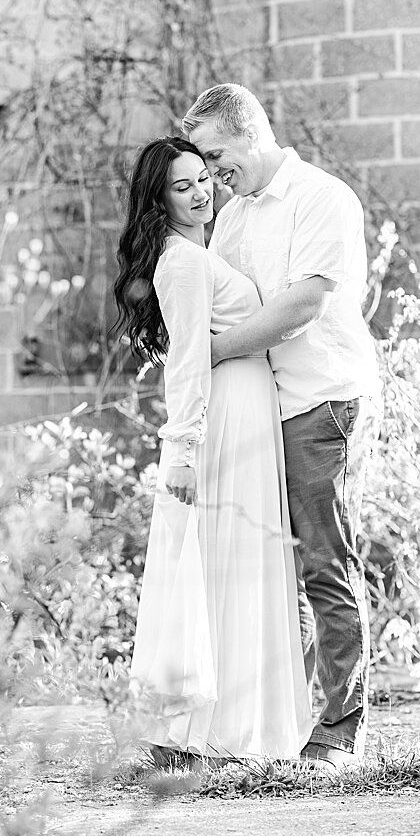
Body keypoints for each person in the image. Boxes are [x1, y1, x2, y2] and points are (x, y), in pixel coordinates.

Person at [182, 83, 381, 768]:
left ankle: (340, 732)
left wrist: (209, 351)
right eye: (203, 163)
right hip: (262, 415)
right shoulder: (233, 219)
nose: (211, 174)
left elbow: (303, 305)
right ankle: (281, 721)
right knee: (271, 571)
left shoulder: (322, 198)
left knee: (327, 564)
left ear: (251, 133)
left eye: (216, 155)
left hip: (322, 405)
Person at [115, 136, 308, 762]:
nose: (201, 193)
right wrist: (184, 451)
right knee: (218, 565)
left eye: (204, 179)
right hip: (221, 419)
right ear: (158, 198)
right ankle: (207, 732)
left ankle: (229, 727)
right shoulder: (184, 262)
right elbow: (189, 364)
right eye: (183, 186)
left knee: (233, 563)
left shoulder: (198, 251)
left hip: (246, 412)